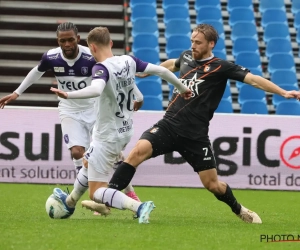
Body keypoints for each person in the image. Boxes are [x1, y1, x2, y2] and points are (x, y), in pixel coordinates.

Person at [97, 24, 300, 224]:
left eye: (198, 42)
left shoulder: (222, 67)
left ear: (211, 44)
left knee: (213, 185)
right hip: (168, 125)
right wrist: (148, 72)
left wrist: (283, 92)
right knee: (136, 153)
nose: (193, 46)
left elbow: (254, 80)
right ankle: (108, 199)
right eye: (192, 41)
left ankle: (239, 209)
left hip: (195, 136)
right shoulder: (186, 56)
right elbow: (172, 64)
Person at [50, 26, 192, 223]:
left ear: (92, 47)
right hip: (124, 130)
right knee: (88, 162)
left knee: (96, 192)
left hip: (107, 135)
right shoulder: (128, 60)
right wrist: (182, 88)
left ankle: (139, 206)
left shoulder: (100, 68)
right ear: (110, 43)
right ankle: (70, 201)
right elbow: (160, 70)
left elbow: (96, 89)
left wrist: (68, 94)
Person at [0, 22, 141, 210]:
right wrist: (17, 93)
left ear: (78, 39)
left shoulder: (91, 56)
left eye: (70, 40)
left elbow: (117, 73)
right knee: (77, 152)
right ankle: (89, 196)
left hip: (95, 109)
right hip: (69, 109)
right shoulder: (51, 57)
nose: (67, 44)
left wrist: (136, 92)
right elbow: (36, 72)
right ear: (57, 41)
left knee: (114, 155)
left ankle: (129, 192)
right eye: (62, 41)